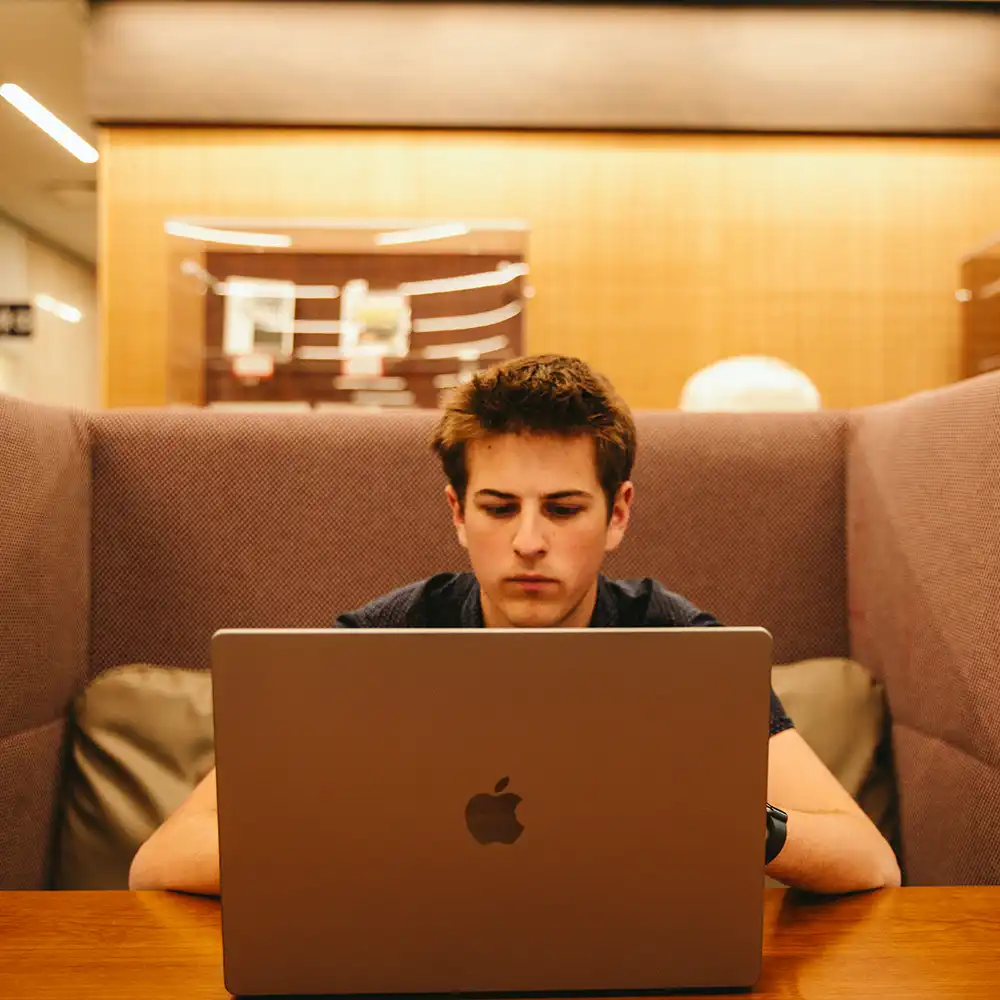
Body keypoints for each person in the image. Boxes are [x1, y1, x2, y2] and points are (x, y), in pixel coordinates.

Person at [129, 354, 900, 897]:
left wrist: (726, 822)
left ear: (617, 514)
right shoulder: (383, 642)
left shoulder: (678, 645)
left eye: (563, 509)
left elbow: (868, 859)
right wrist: (384, 838)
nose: (530, 541)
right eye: (499, 508)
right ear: (459, 514)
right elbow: (166, 859)